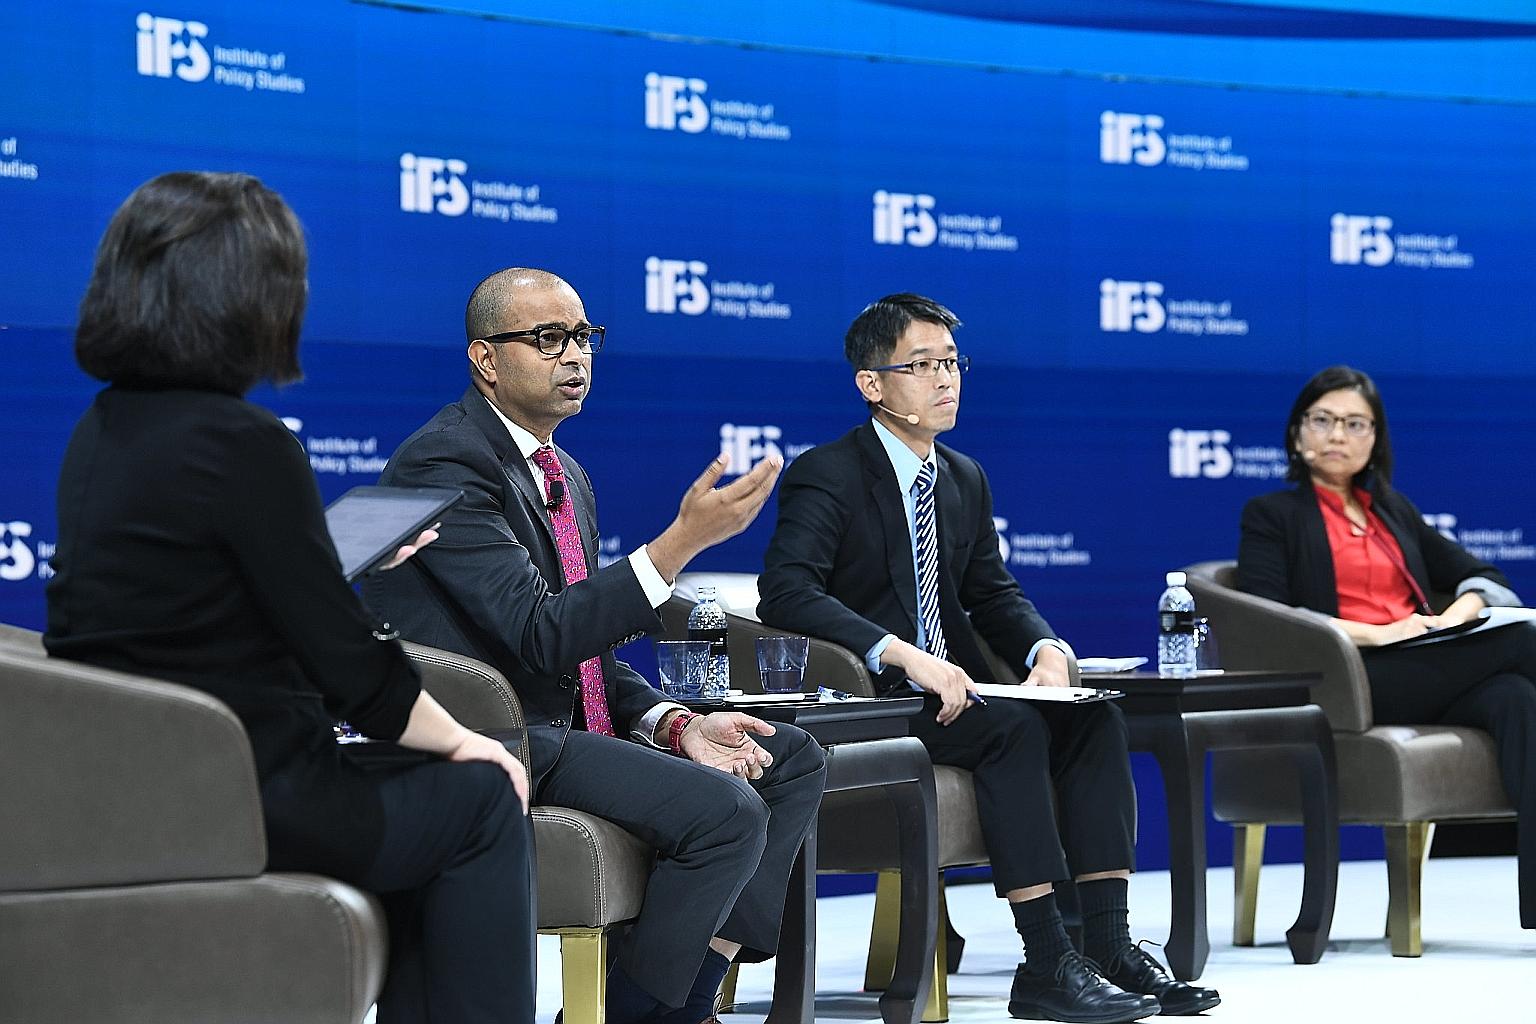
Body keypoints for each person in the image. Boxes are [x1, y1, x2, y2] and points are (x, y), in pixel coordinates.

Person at [42, 172, 536, 1024]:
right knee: (484, 796)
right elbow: (352, 671)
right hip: (250, 785)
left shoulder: (103, 430)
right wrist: (473, 745)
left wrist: (320, 568)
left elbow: (195, 611)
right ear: (246, 297)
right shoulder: (245, 444)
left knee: (439, 788)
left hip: (154, 782)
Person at [363, 267, 828, 1024]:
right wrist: (676, 546)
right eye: (548, 339)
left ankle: (682, 994)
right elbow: (540, 633)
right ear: (486, 358)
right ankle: (644, 1015)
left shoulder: (564, 470)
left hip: (563, 722)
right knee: (726, 811)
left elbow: (587, 651)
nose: (575, 354)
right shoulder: (447, 463)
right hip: (498, 737)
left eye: (584, 336)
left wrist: (674, 723)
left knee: (791, 757)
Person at [757, 293, 1220, 1022]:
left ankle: (1106, 944)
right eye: (921, 365)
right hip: (876, 701)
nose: (946, 381)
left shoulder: (962, 477)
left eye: (951, 363)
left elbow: (992, 592)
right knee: (1011, 729)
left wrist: (1046, 649)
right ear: (872, 384)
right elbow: (785, 592)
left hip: (959, 694)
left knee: (1094, 717)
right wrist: (904, 655)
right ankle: (1044, 962)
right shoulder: (829, 472)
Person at [1237, 364, 1536, 931]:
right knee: (1523, 642)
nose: (1337, 436)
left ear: (1375, 439)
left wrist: (1450, 619)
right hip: (1352, 677)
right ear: (1298, 433)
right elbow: (1271, 616)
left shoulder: (1392, 512)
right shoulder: (1272, 516)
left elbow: (1482, 575)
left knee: (1517, 698)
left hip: (1424, 666)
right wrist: (1380, 633)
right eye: (1322, 421)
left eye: (1355, 424)